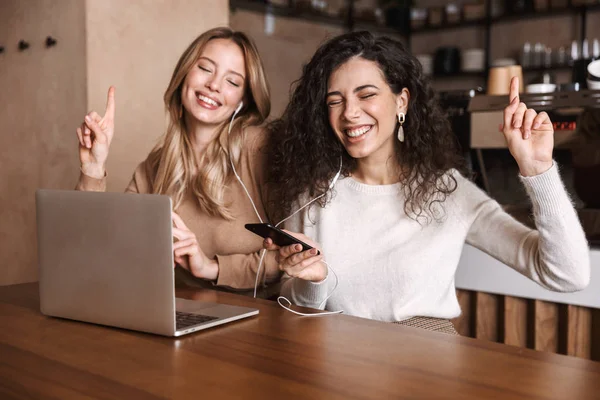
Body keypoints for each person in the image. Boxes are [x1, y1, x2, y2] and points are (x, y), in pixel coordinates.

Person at [264, 31, 590, 330]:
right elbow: (296, 306)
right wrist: (314, 281)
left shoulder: (447, 192)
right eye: (335, 101)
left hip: (425, 364)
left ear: (401, 101)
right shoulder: (314, 195)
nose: (349, 112)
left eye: (366, 95)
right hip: (335, 365)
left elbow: (567, 275)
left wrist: (539, 170)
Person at [75, 27, 280, 296]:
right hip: (179, 317)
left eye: (233, 82)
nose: (214, 85)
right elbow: (100, 250)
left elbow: (293, 255)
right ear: (185, 75)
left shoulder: (260, 148)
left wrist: (211, 268)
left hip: (258, 322)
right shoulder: (155, 165)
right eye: (206, 68)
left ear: (244, 101)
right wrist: (93, 166)